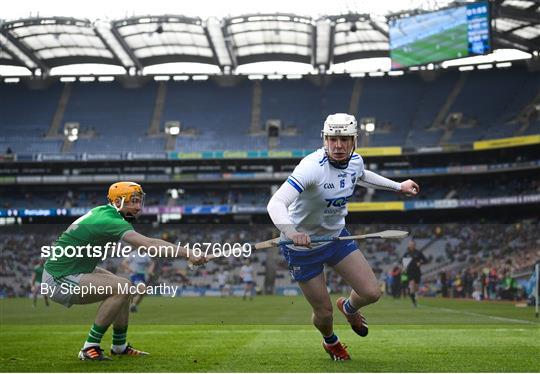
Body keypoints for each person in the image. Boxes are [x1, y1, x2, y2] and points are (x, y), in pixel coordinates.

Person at [266, 113, 419, 361]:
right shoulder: (311, 167)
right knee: (324, 313)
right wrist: (292, 232)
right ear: (325, 139)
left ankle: (349, 308)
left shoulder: (355, 161)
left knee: (371, 293)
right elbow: (276, 203)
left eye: (345, 139)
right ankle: (331, 341)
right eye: (332, 139)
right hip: (302, 249)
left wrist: (397, 186)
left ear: (354, 141)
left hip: (337, 238)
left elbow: (363, 175)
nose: (338, 146)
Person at [42, 181, 208, 361]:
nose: (138, 207)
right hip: (58, 279)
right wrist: (188, 253)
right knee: (122, 287)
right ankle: (89, 348)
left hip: (75, 269)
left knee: (126, 289)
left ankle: (119, 346)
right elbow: (150, 245)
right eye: (133, 201)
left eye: (139, 201)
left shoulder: (105, 212)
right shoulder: (109, 220)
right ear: (118, 201)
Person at [401, 240, 428, 307]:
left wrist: (420, 263)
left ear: (414, 245)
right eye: (410, 244)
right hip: (409, 273)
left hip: (417, 272)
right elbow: (403, 262)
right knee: (411, 285)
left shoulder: (418, 253)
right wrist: (403, 268)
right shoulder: (406, 254)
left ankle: (415, 296)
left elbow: (425, 260)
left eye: (412, 244)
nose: (411, 245)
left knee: (416, 287)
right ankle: (414, 302)